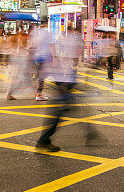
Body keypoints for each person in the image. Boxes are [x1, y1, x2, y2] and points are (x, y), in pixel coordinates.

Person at [36, 23, 98, 152]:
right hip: (64, 79)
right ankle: (44, 140)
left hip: (63, 78)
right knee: (60, 110)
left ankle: (90, 133)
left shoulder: (55, 38)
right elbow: (75, 55)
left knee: (66, 108)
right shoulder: (66, 40)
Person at [29, 23, 54, 100]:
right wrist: (55, 56)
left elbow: (31, 45)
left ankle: (38, 92)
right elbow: (51, 45)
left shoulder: (35, 32)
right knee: (42, 75)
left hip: (37, 56)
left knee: (40, 75)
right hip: (44, 57)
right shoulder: (47, 32)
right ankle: (39, 94)